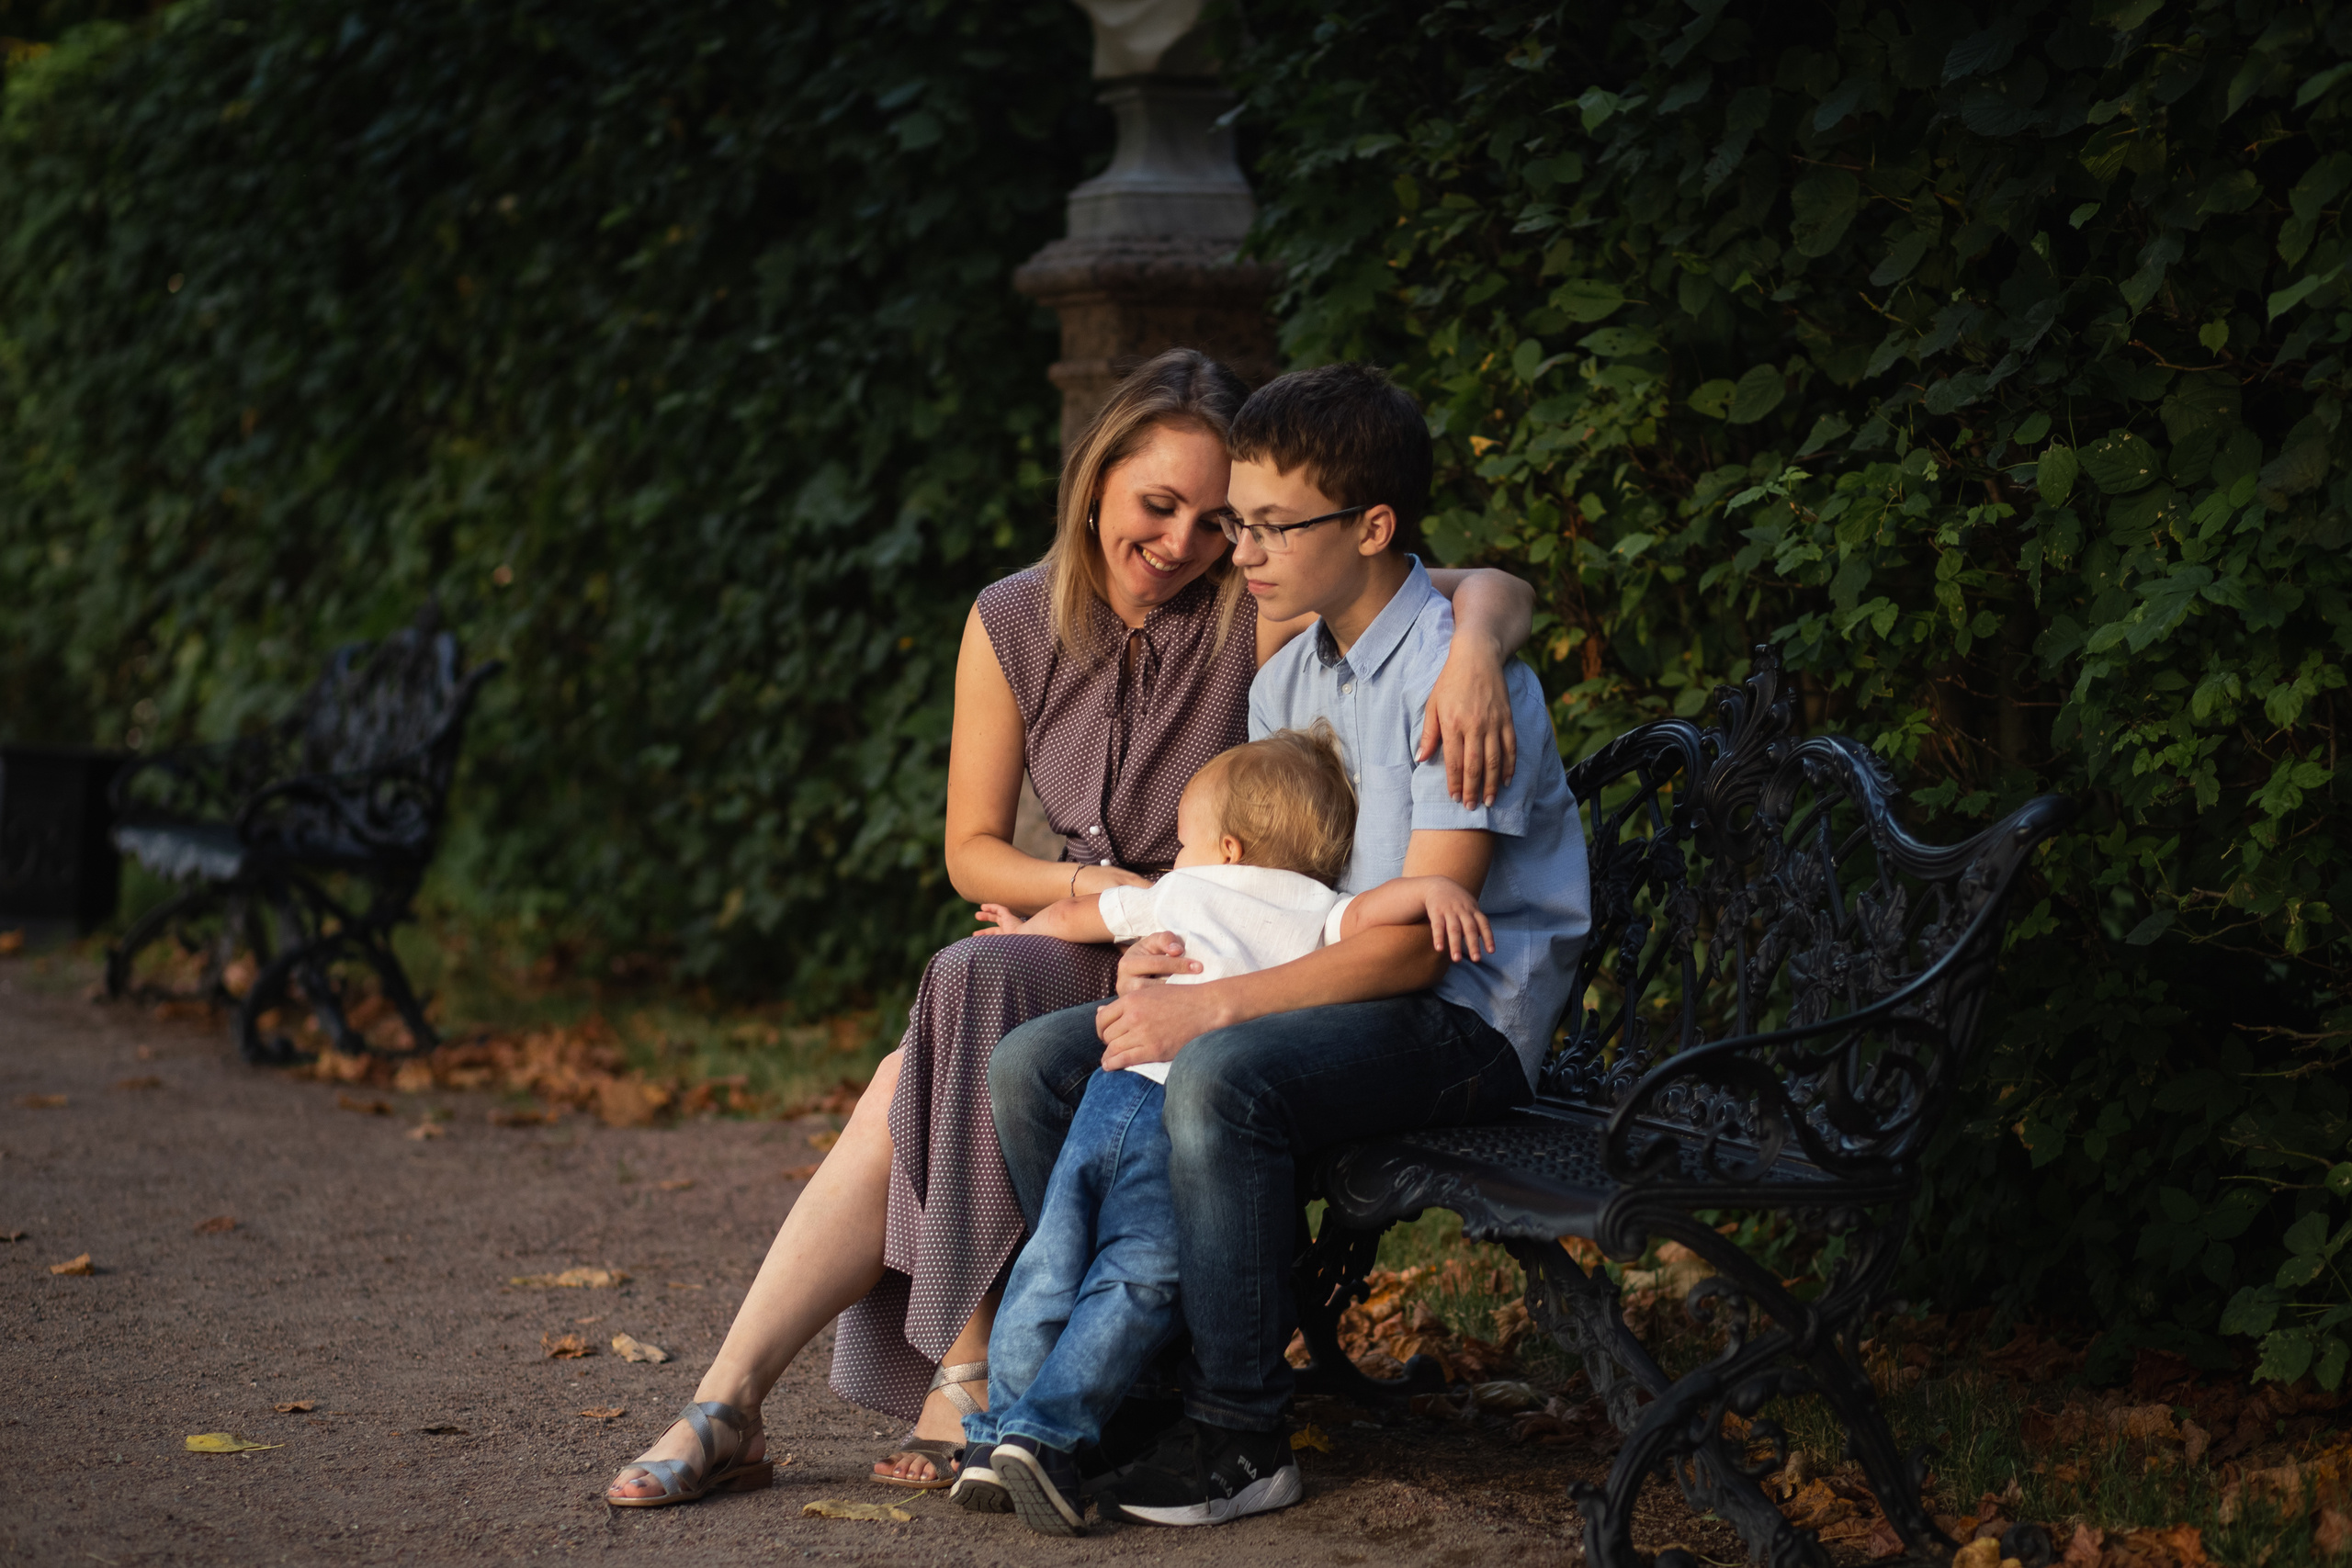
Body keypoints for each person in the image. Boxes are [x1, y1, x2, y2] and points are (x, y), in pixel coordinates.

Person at [603, 348, 1540, 1506]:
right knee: (958, 1013)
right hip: (1143, 926)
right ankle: (760, 1390)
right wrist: (1086, 896)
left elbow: (1442, 585)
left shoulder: (1256, 619)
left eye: (1223, 521)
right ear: (1094, 482)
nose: (1195, 543)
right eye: (1164, 508)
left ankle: (940, 1372)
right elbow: (971, 852)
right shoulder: (1018, 618)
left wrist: (1483, 646)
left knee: (950, 1022)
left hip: (1236, 938)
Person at [989, 361, 1592, 1529]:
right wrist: (1180, 962)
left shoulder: (1458, 685)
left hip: (1464, 1022)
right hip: (1333, 988)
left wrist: (1215, 1011)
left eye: (1269, 526)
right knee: (1044, 1062)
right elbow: (1278, 893)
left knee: (1220, 1076)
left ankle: (1238, 1434)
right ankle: (1131, 1384)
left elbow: (1420, 947)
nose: (1243, 552)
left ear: (1370, 526)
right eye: (1237, 524)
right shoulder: (1291, 676)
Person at [952, 723, 1494, 1535]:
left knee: (1055, 1250)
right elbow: (1380, 910)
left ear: (1229, 848)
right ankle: (1047, 1434)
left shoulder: (1175, 892)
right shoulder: (1319, 908)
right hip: (1171, 1119)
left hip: (1113, 1089)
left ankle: (995, 1434)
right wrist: (1437, 891)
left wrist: (1017, 928)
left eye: (1184, 838)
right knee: (1135, 1272)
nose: (1176, 852)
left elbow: (1082, 915)